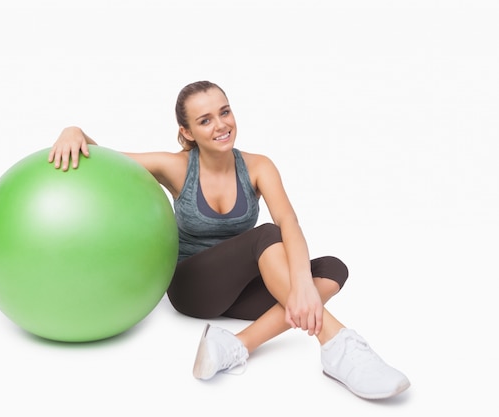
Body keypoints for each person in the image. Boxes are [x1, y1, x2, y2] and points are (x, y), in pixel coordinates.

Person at [48, 80, 410, 400]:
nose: (221, 125)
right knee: (266, 236)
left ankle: (234, 345)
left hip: (243, 288)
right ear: (187, 131)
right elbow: (107, 161)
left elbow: (290, 222)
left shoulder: (258, 166)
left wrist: (300, 284)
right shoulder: (176, 166)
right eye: (205, 120)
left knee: (332, 269)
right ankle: (338, 346)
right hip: (193, 289)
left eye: (224, 112)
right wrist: (73, 130)